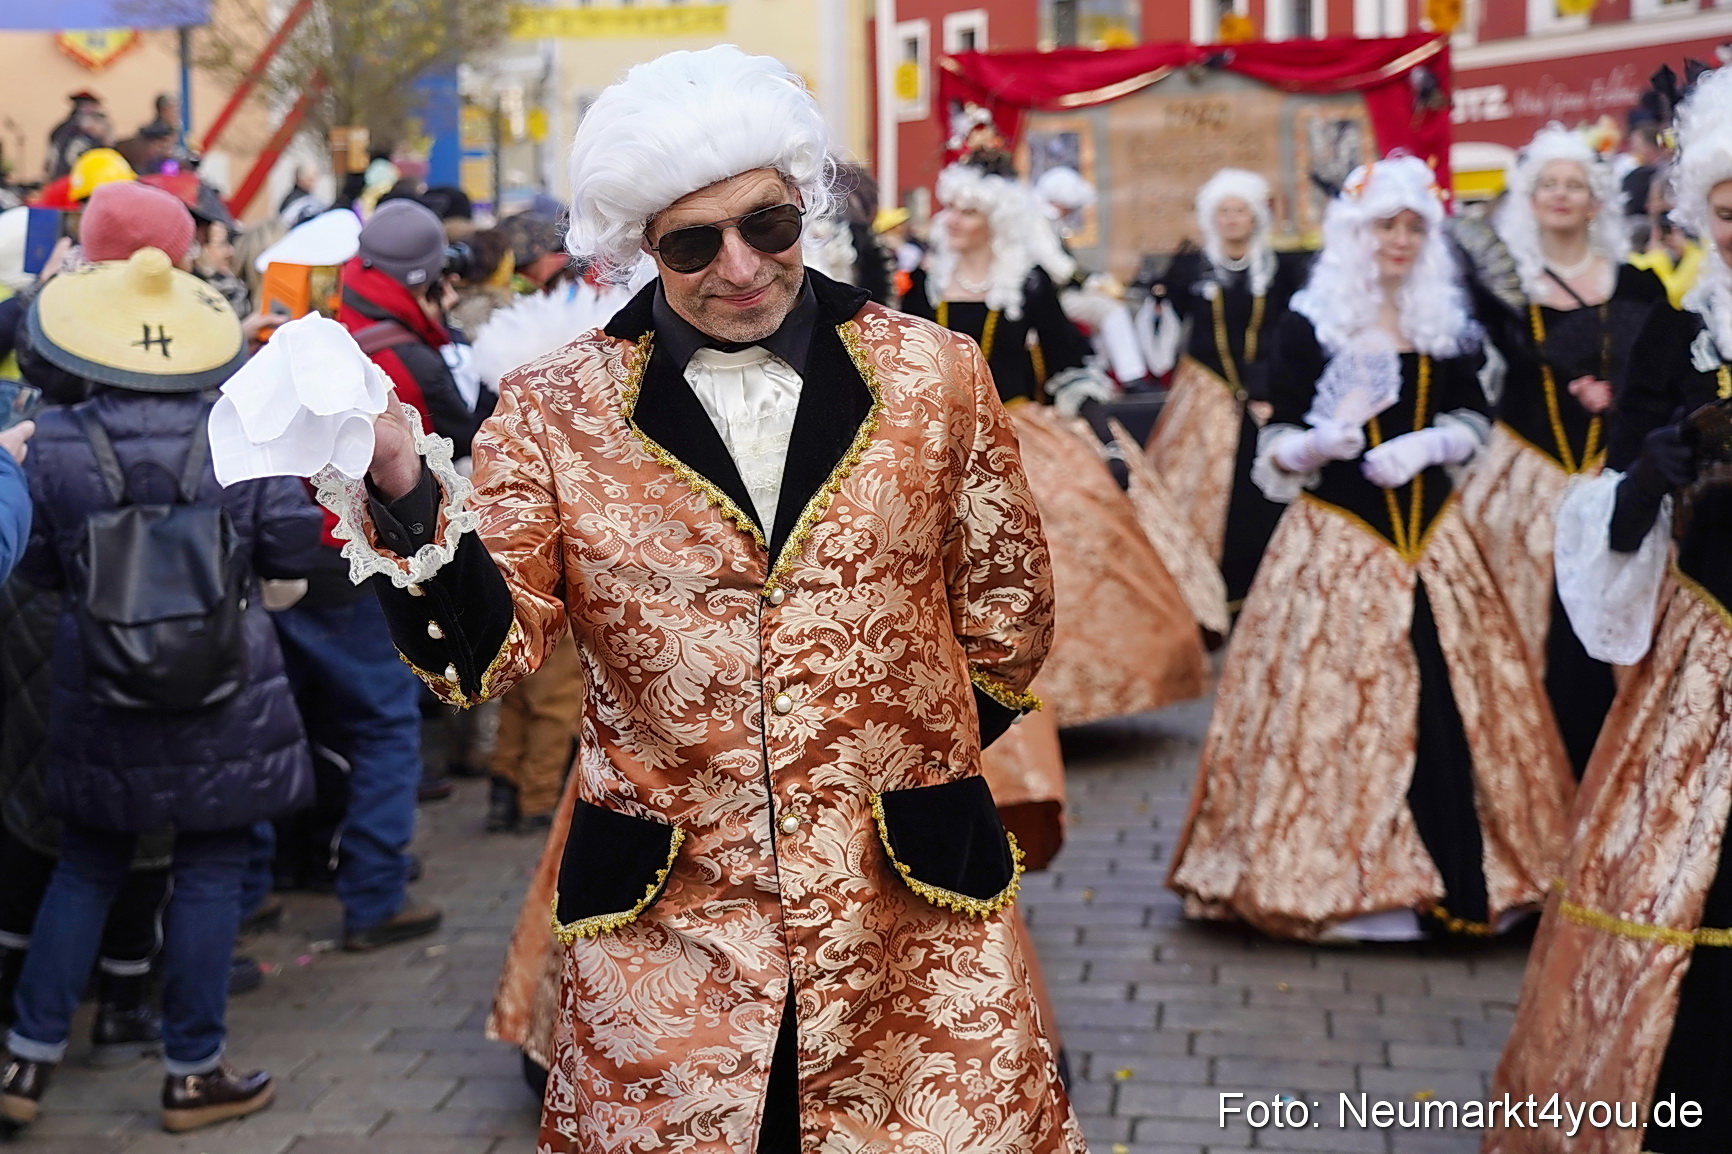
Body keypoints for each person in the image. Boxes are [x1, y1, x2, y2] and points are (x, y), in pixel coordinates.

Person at [293, 45, 1081, 1153]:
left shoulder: (935, 370)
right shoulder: (553, 407)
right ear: (640, 249)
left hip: (905, 897)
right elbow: (480, 660)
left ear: (799, 206)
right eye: (691, 242)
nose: (742, 266)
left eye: (767, 224)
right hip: (670, 924)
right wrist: (401, 485)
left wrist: (887, 746)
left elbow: (1008, 613)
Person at [1167, 155, 1575, 943]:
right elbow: (1276, 431)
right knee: (1338, 707)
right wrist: (1313, 444)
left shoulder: (1445, 324)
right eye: (1386, 225)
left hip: (1434, 539)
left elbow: (1476, 417)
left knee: (1450, 693)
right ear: (1356, 234)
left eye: (1414, 226)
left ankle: (1467, 875)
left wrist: (1427, 445)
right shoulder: (1310, 322)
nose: (1400, 239)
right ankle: (1358, 884)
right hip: (1335, 537)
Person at [0, 246, 321, 1134]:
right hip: (227, 685)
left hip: (97, 677)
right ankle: (192, 1073)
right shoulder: (241, 431)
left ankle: (25, 1061)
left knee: (90, 860)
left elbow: (27, 563)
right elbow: (297, 551)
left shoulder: (49, 441)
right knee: (211, 869)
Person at [1485, 66, 1732, 1154]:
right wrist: (1653, 473)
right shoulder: (1675, 338)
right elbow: (1615, 516)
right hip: (1704, 649)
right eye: (1728, 203)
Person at [268, 200, 462, 948]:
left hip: (288, 554)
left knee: (294, 720)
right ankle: (375, 896)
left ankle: (269, 877)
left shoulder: (315, 329)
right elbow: (438, 453)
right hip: (353, 556)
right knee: (384, 727)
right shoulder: (401, 358)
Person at [1457, 125, 1671, 779]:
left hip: (1614, 479)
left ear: (1595, 200)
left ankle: (1615, 778)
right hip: (1522, 478)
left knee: (1614, 633)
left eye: (1573, 185)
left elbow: (1664, 384)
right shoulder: (1502, 289)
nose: (1559, 194)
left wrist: (1623, 391)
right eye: (1547, 183)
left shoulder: (1636, 286)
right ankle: (1530, 784)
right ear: (1529, 196)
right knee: (1525, 635)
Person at [1139, 169, 1310, 611]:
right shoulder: (1193, 266)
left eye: (1240, 211)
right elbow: (1162, 328)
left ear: (1254, 217)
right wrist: (1159, 300)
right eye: (1224, 212)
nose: (1233, 219)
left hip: (1265, 394)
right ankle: (1205, 590)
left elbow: (1291, 335)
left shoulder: (1280, 270)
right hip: (1205, 393)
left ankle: (1267, 588)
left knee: (1259, 491)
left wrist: (1273, 390)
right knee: (1201, 489)